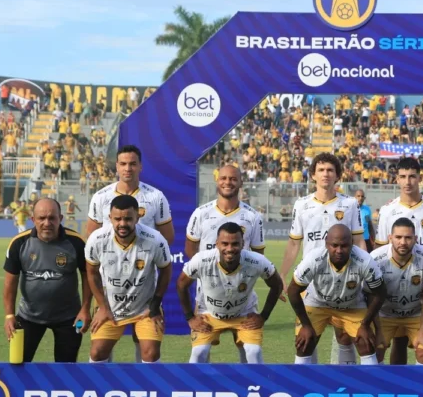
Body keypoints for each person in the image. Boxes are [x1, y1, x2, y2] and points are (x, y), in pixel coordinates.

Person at [85, 145, 173, 363]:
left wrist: (141, 254)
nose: (128, 169)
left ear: (140, 166)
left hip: (143, 280)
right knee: (101, 348)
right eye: (123, 164)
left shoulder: (155, 197)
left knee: (144, 343)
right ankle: (103, 382)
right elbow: (91, 240)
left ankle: (144, 382)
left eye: (133, 164)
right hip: (111, 285)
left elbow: (167, 239)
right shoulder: (100, 197)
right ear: (116, 166)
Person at [280, 153, 365, 365]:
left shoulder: (350, 204)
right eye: (321, 170)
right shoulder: (302, 204)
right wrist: (282, 274)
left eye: (330, 170)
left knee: (344, 336)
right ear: (313, 175)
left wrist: (364, 274)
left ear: (337, 175)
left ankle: (344, 380)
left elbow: (358, 241)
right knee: (307, 338)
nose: (325, 174)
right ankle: (309, 381)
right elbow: (294, 243)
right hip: (311, 281)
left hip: (345, 278)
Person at [185, 165, 265, 363]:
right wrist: (208, 273)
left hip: (242, 296)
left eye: (233, 179)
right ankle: (201, 383)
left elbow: (258, 256)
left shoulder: (253, 217)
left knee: (247, 349)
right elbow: (190, 250)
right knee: (201, 351)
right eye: (223, 178)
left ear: (241, 182)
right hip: (208, 297)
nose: (227, 182)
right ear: (217, 180)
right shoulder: (200, 213)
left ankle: (251, 382)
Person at [374, 157, 423, 363]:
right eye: (403, 177)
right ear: (397, 179)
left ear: (420, 178)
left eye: (412, 176)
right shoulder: (387, 211)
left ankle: (422, 380)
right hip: (396, 285)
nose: (408, 182)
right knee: (398, 342)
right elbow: (380, 250)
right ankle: (397, 382)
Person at [176, 222, 284, 364]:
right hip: (209, 313)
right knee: (198, 353)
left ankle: (251, 379)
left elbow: (277, 285)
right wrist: (190, 317)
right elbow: (181, 284)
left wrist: (263, 316)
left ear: (243, 244)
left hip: (244, 313)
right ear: (216, 243)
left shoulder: (257, 261)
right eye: (225, 244)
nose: (230, 249)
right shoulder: (202, 260)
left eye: (235, 244)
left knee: (253, 352)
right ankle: (199, 380)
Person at [2, 198, 91, 362]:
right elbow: (10, 282)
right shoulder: (19, 243)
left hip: (70, 318)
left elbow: (88, 276)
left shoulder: (76, 242)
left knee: (66, 367)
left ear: (60, 218)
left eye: (52, 218)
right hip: (28, 316)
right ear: (33, 219)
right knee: (18, 362)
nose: (47, 223)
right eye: (41, 218)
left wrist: (85, 309)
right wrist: (9, 315)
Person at [287, 225, 386, 365]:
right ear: (326, 243)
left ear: (352, 244)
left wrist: (365, 325)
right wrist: (306, 325)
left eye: (344, 246)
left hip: (352, 304)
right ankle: (301, 378)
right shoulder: (314, 259)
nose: (339, 250)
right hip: (317, 302)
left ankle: (370, 379)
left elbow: (380, 293)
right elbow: (293, 290)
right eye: (334, 245)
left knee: (366, 343)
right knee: (304, 343)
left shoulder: (365, 260)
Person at [370, 217, 423, 365]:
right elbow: (371, 297)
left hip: (415, 314)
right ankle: (377, 380)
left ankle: (420, 381)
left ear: (415, 239)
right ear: (390, 238)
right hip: (384, 314)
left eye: (408, 238)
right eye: (398, 237)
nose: (403, 242)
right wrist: (377, 330)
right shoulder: (376, 259)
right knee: (375, 349)